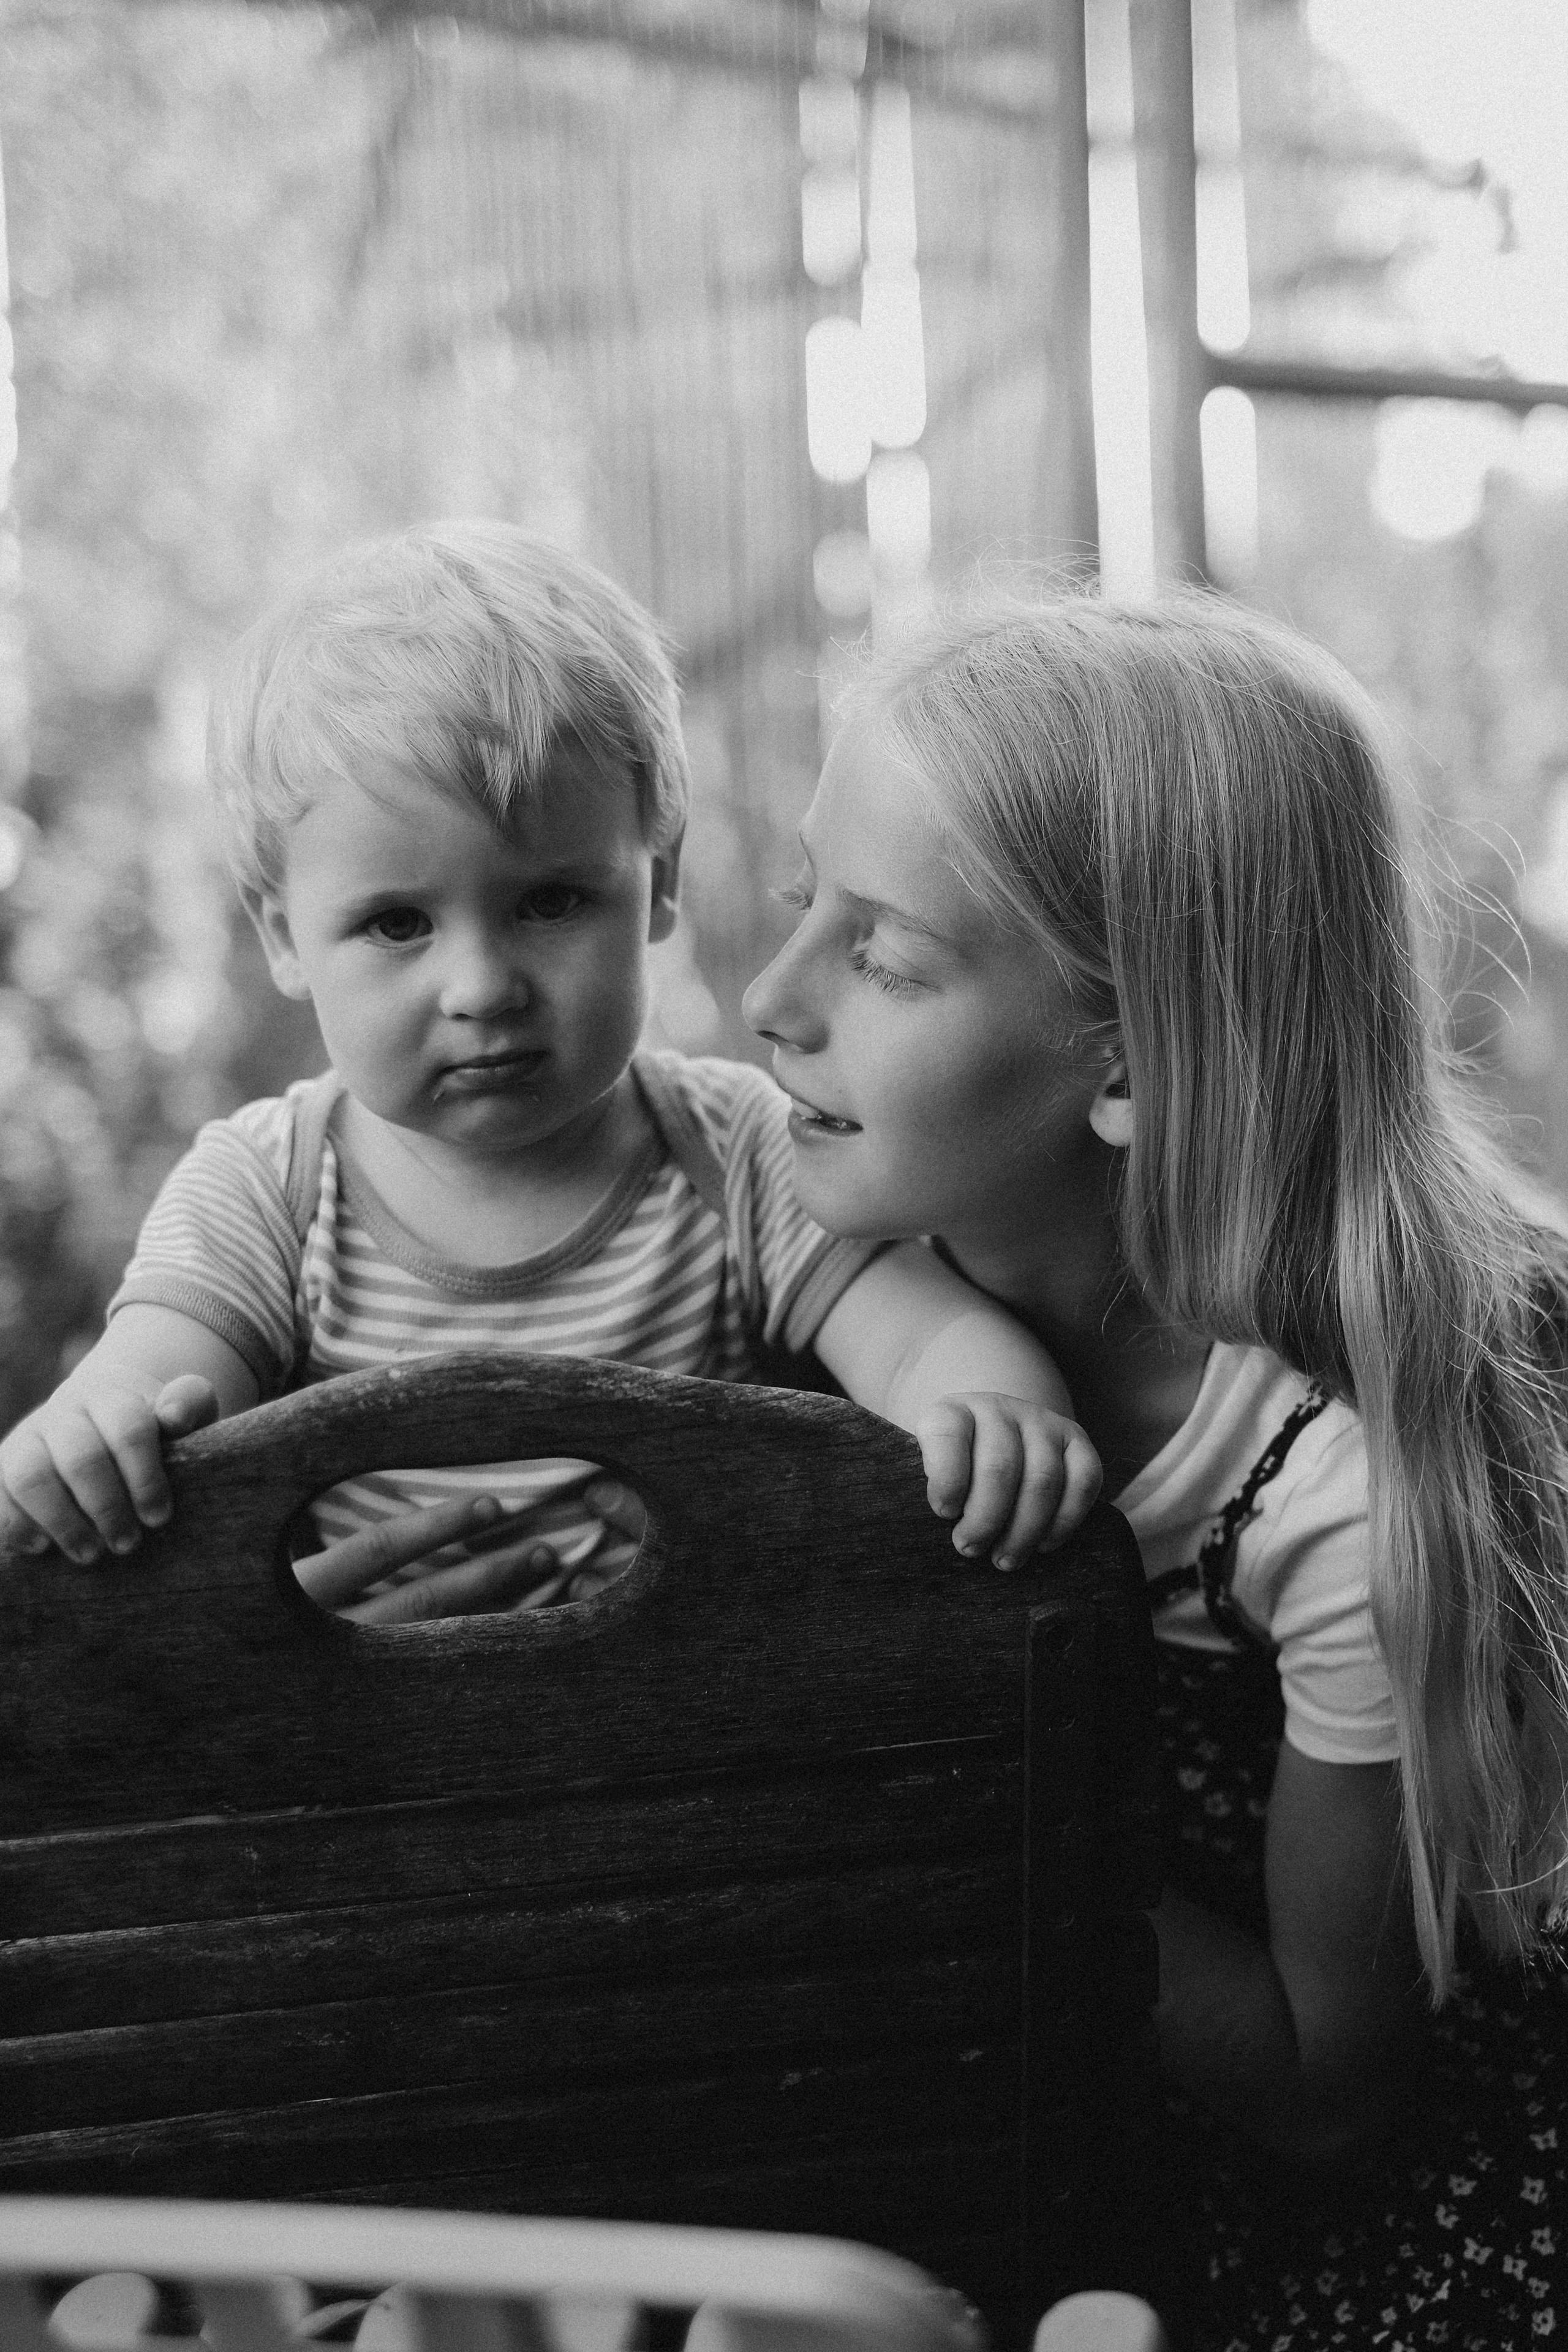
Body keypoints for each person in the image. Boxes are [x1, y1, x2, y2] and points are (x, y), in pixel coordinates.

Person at [737, 585, 1568, 2180]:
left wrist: (949, 1790)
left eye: (883, 958)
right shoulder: (779, 1215)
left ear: (1126, 1065)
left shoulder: (1347, 1505)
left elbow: (1333, 2092)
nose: (772, 1001)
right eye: (798, 902)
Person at [0, 525, 1099, 1615]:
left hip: (702, 1739)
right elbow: (144, 1400)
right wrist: (87, 1439)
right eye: (396, 924)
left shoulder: (735, 1155)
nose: (482, 986)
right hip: (371, 1751)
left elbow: (925, 1341)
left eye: (551, 902)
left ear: (658, 884)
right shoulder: (269, 1195)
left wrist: (991, 1409)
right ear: (284, 936)